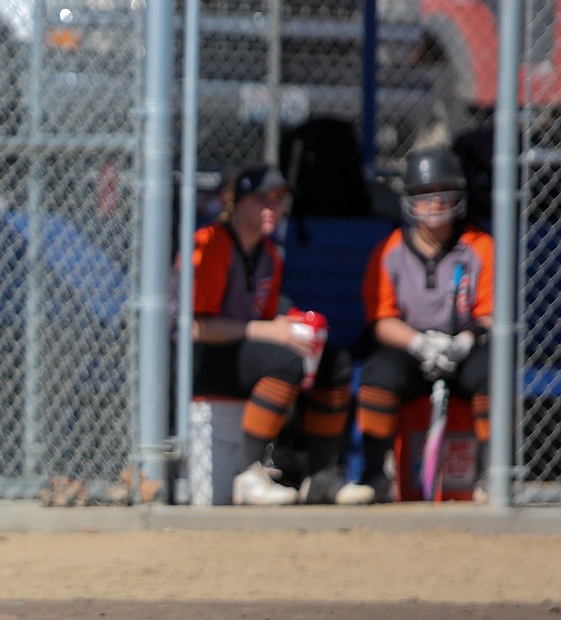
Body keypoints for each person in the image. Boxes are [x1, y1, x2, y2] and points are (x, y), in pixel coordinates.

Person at [173, 163, 374, 505]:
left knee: (335, 362)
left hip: (239, 351)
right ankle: (246, 474)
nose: (273, 208)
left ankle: (322, 474)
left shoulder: (269, 254)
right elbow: (196, 327)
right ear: (235, 202)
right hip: (195, 359)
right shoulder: (210, 244)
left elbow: (265, 319)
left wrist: (295, 326)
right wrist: (273, 330)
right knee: (284, 361)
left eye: (278, 200)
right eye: (261, 200)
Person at [356, 147, 493, 503]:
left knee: (490, 371)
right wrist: (419, 343)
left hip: (462, 349)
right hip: (412, 349)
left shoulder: (479, 246)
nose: (433, 204)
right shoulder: (390, 250)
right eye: (422, 195)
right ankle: (374, 475)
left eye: (443, 194)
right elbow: (381, 320)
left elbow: (490, 315)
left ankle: (492, 474)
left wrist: (462, 341)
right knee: (379, 372)